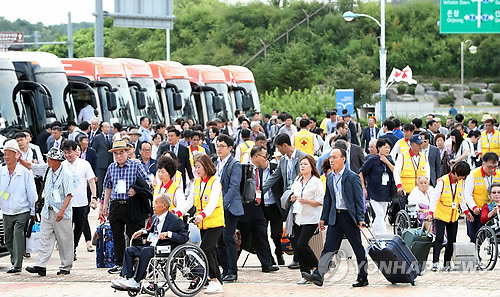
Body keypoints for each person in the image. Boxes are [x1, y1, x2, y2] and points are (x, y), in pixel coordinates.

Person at [302, 148, 368, 287]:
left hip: (349, 218)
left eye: (335, 157)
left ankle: (363, 277)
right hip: (335, 217)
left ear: (343, 159)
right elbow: (328, 199)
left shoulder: (352, 176)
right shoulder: (330, 177)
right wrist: (323, 217)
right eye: (330, 157)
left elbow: (359, 199)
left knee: (357, 248)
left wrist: (361, 218)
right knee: (328, 247)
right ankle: (319, 275)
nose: (331, 160)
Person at [111, 194, 189, 290]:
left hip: (165, 248)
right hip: (153, 245)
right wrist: (143, 232)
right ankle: (126, 277)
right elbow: (151, 232)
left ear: (164, 206)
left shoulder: (175, 220)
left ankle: (136, 280)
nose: (153, 205)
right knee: (129, 250)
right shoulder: (155, 218)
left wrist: (168, 234)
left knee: (146, 251)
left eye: (156, 203)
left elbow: (184, 237)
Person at [101, 140, 151, 274]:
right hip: (116, 205)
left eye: (121, 153)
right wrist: (105, 205)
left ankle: (136, 262)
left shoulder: (135, 165)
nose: (119, 156)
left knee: (133, 234)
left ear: (127, 152)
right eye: (116, 154)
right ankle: (119, 263)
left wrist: (136, 189)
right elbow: (108, 186)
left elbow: (146, 183)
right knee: (117, 235)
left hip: (132, 205)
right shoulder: (111, 167)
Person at [26, 148, 74, 276]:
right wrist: (19, 159)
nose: (48, 160)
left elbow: (69, 195)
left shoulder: (66, 173)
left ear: (57, 161)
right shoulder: (47, 169)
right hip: (47, 210)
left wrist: (62, 211)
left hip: (61, 212)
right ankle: (41, 265)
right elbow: (32, 166)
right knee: (45, 238)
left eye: (50, 159)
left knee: (64, 240)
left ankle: (65, 266)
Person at [262, 133, 307, 269]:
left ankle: (299, 258)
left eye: (278, 147)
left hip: (300, 197)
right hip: (288, 198)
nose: (278, 151)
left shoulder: (302, 157)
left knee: (299, 229)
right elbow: (274, 177)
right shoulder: (282, 160)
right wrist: (260, 191)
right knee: (291, 229)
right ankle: (297, 257)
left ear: (285, 145)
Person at [0, 140, 37, 273]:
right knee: (8, 238)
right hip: (6, 210)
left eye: (8, 154)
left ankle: (17, 265)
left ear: (16, 155)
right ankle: (14, 260)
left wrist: (33, 210)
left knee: (18, 234)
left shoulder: (25, 172)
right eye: (4, 154)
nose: (6, 157)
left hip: (22, 210)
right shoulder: (1, 171)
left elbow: (32, 193)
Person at [428, 161, 471, 272]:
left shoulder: (460, 182)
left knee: (452, 240)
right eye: (461, 175)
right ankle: (435, 262)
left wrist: (466, 211)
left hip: (453, 216)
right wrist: (431, 212)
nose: (462, 178)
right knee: (439, 239)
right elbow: (434, 198)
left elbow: (460, 197)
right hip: (441, 215)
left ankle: (447, 263)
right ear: (455, 172)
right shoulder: (442, 181)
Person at [191, 154, 225, 294]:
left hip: (215, 222)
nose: (197, 169)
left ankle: (214, 280)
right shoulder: (197, 182)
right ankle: (217, 281)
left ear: (206, 166)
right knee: (210, 251)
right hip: (203, 224)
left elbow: (212, 203)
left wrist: (202, 215)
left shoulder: (215, 182)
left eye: (199, 166)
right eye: (195, 167)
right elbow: (190, 200)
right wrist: (178, 212)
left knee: (206, 248)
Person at [289, 155, 324, 284]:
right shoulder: (298, 180)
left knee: (302, 244)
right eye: (301, 164)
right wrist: (293, 197)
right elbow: (293, 193)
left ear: (312, 166)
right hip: (298, 216)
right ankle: (305, 275)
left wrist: (308, 201)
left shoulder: (316, 182)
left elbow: (321, 201)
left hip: (311, 217)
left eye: (306, 164)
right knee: (299, 247)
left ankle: (318, 267)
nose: (302, 166)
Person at [214, 134, 244, 282]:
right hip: (217, 207)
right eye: (217, 146)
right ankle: (225, 269)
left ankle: (233, 270)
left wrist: (223, 204)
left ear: (230, 148)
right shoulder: (215, 163)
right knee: (219, 239)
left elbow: (234, 187)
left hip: (230, 207)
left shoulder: (234, 164)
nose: (219, 149)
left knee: (228, 237)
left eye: (222, 146)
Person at [61, 140, 97, 261]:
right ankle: (68, 250)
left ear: (75, 151)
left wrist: (94, 197)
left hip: (81, 202)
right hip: (66, 204)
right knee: (66, 228)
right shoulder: (62, 165)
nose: (67, 155)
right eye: (65, 153)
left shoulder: (84, 164)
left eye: (69, 152)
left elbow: (91, 181)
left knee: (79, 227)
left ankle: (73, 248)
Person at [252, 145, 285, 266]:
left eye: (266, 157)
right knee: (262, 234)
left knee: (276, 234)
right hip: (262, 207)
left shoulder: (276, 169)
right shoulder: (256, 171)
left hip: (275, 206)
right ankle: (269, 257)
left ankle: (279, 251)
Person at [359, 138, 395, 235]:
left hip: (385, 192)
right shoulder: (372, 160)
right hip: (374, 192)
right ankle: (383, 235)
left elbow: (395, 171)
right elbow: (361, 172)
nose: (387, 150)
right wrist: (363, 187)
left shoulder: (390, 159)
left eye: (389, 148)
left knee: (382, 215)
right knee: (379, 214)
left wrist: (387, 161)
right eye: (385, 147)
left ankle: (375, 234)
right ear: (379, 148)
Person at [463, 152, 500, 242]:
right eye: (490, 167)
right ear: (483, 164)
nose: (492, 170)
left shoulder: (498, 174)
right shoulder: (473, 174)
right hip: (477, 210)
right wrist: (474, 207)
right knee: (475, 236)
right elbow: (467, 194)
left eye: (495, 167)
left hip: (493, 209)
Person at [92, 122, 113, 198]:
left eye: (109, 127)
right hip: (100, 163)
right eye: (106, 127)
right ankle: (101, 196)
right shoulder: (97, 137)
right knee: (101, 181)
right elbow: (94, 149)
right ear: (102, 128)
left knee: (109, 180)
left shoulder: (111, 137)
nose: (108, 129)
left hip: (110, 162)